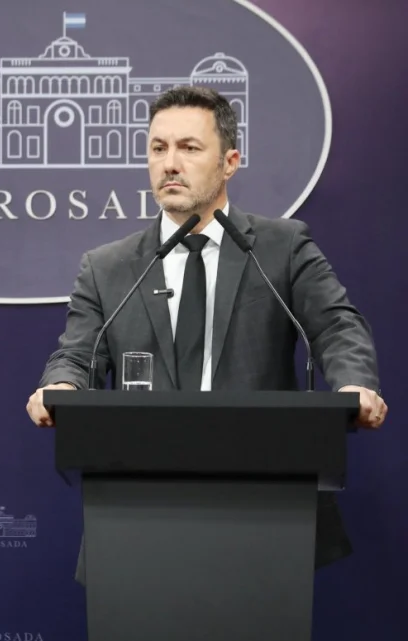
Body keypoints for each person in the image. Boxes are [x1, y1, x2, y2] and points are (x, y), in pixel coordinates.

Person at [26, 85, 387, 579]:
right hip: (139, 515)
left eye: (189, 148)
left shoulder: (281, 247)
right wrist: (62, 386)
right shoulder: (108, 267)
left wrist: (355, 385)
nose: (170, 164)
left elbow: (336, 325)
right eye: (158, 148)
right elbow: (77, 353)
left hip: (264, 512)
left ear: (229, 162)